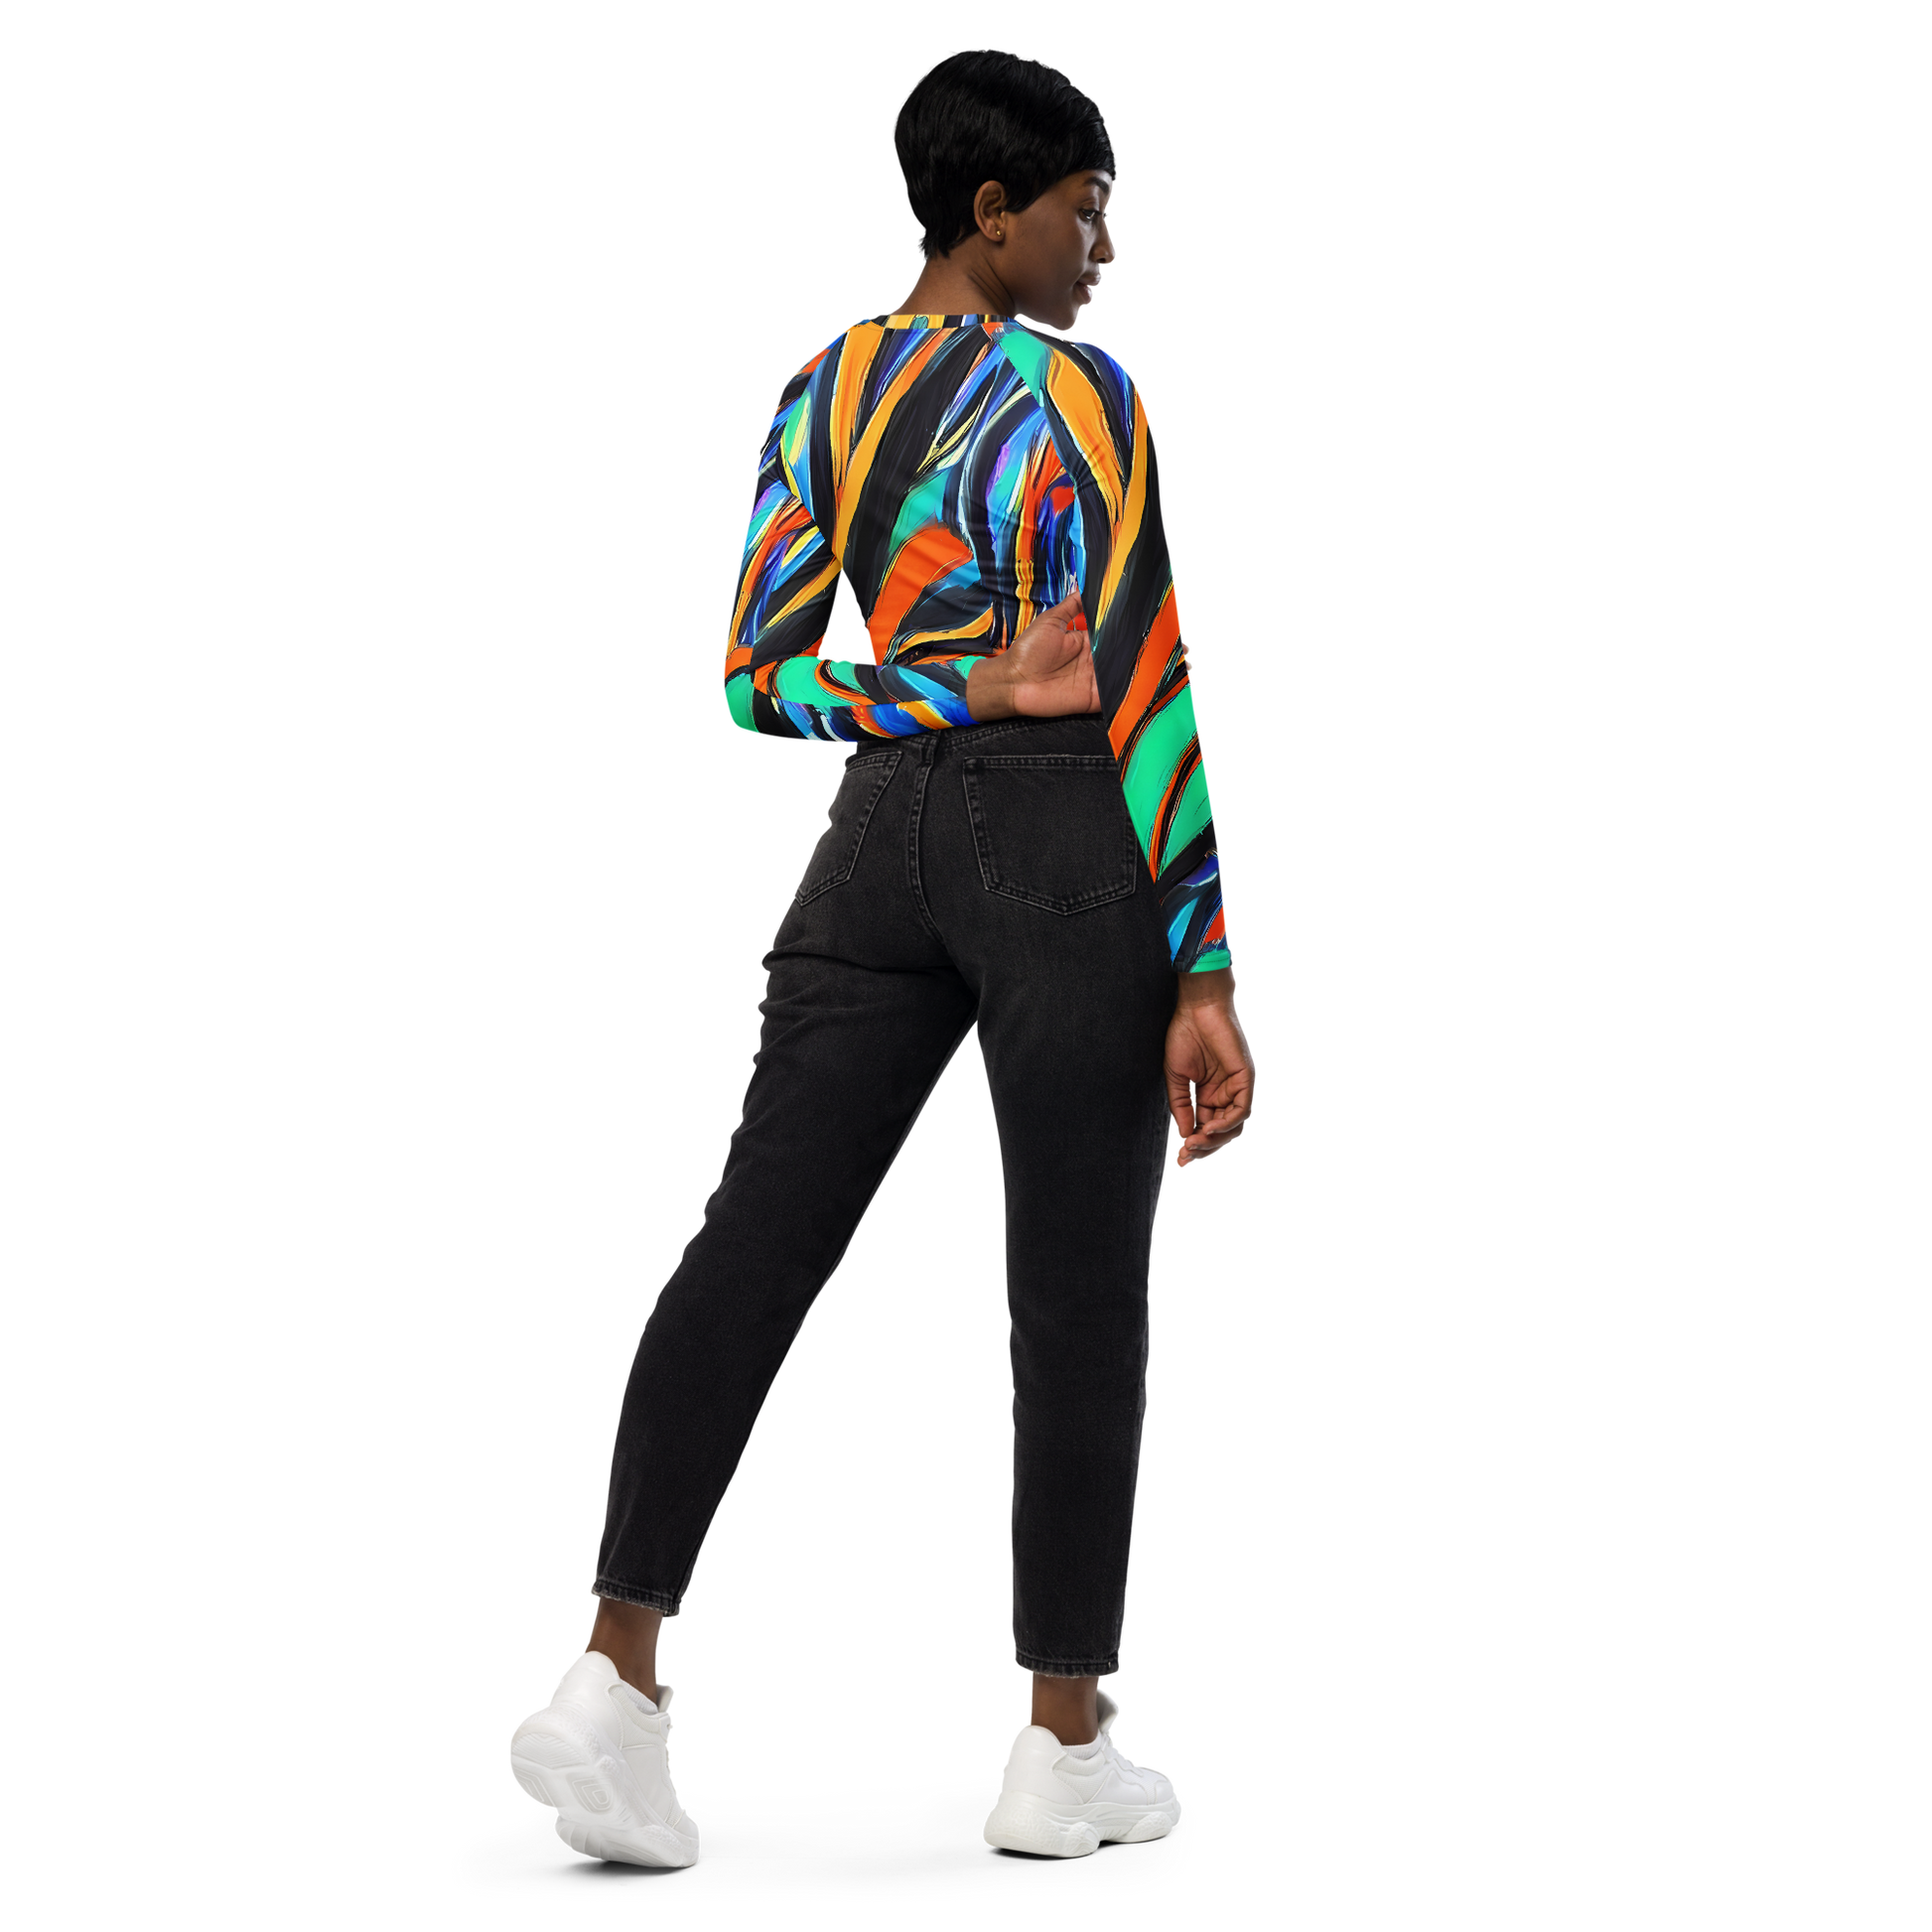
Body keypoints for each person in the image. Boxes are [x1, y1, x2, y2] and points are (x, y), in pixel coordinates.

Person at [505, 44, 1258, 1865]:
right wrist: (1207, 970)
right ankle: (1058, 1745)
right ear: (993, 214)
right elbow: (1147, 671)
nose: (1105, 251)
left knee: (751, 1242)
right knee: (1075, 1289)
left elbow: (755, 683)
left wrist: (940, 688)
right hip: (1067, 838)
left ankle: (609, 1680)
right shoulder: (1081, 393)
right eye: (1085, 214)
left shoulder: (816, 388)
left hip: (866, 845)